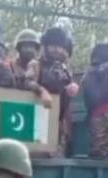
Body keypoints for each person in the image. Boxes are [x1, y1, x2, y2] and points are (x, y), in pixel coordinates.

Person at [35, 27, 79, 155]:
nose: (57, 50)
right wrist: (41, 90)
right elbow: (27, 84)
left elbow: (68, 86)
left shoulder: (63, 68)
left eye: (60, 46)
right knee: (39, 153)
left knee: (58, 153)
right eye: (53, 46)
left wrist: (73, 86)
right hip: (40, 116)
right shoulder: (37, 64)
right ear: (46, 46)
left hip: (61, 119)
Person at [12, 29, 52, 108]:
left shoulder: (39, 67)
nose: (29, 50)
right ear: (19, 48)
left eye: (32, 47)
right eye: (26, 46)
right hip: (14, 103)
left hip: (35, 106)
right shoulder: (12, 65)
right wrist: (40, 90)